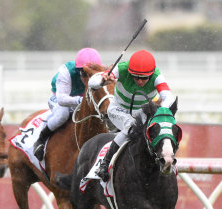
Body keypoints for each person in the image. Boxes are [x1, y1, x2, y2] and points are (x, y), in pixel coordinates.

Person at [89, 49, 176, 181]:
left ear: (151, 74)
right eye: (136, 77)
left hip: (141, 113)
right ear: (130, 73)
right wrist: (103, 79)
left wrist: (162, 110)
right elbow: (92, 83)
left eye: (144, 78)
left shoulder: (157, 76)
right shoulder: (122, 68)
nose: (140, 82)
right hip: (117, 109)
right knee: (130, 125)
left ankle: (165, 159)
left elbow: (168, 97)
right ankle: (104, 163)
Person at [33, 48, 102, 160]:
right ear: (77, 69)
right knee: (62, 115)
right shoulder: (66, 72)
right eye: (83, 73)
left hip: (82, 99)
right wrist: (81, 101)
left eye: (92, 74)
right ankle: (41, 139)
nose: (88, 78)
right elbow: (62, 99)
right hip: (59, 99)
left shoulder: (102, 73)